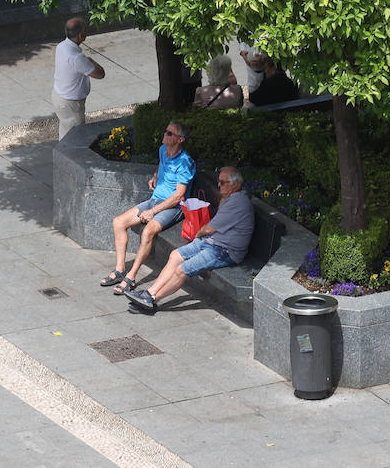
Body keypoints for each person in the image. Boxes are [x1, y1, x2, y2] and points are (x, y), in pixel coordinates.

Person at [125, 166, 254, 315]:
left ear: (235, 184)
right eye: (218, 182)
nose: (219, 185)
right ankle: (149, 293)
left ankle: (152, 300)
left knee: (182, 269)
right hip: (211, 242)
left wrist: (196, 235)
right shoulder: (231, 197)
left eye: (223, 182)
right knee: (175, 255)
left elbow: (208, 229)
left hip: (224, 250)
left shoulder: (238, 203)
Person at [100, 121, 195, 295]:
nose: (165, 134)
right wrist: (155, 176)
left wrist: (152, 212)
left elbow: (178, 196)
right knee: (118, 222)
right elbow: (161, 165)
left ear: (180, 139)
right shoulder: (163, 150)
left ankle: (131, 277)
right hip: (155, 199)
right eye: (166, 131)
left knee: (147, 232)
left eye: (170, 133)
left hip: (173, 207)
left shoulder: (185, 162)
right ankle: (120, 270)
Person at [53, 17, 105, 139]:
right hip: (71, 103)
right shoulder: (77, 58)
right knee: (74, 138)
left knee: (65, 133)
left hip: (59, 96)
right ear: (81, 35)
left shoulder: (61, 46)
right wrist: (90, 60)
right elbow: (100, 74)